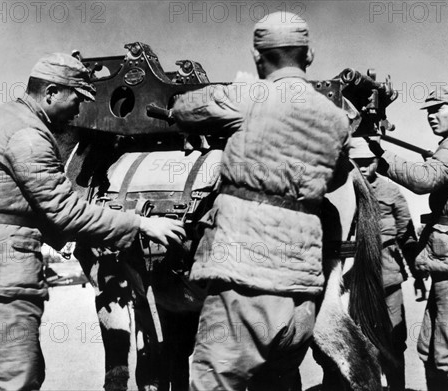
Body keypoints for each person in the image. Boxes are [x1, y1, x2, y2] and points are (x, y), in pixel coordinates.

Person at [0, 53, 186, 390]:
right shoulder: (28, 135)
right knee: (14, 378)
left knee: (20, 375)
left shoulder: (4, 118)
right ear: (52, 92)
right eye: (77, 98)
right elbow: (64, 210)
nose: (80, 110)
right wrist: (141, 224)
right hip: (5, 274)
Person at [172, 11, 351, 390]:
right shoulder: (336, 120)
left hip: (244, 281)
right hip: (301, 294)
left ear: (258, 57)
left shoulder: (249, 96)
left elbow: (184, 109)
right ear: (310, 55)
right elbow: (336, 176)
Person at [369, 86, 448, 391]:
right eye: (428, 110)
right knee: (429, 350)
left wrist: (382, 155)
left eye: (439, 108)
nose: (431, 115)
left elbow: (424, 180)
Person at [349, 137, 422, 391]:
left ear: (377, 162)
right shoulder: (344, 190)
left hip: (388, 277)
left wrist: (417, 271)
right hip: (354, 280)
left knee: (394, 340)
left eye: (369, 163)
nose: (364, 169)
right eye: (358, 163)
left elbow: (405, 234)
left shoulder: (391, 191)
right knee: (358, 341)